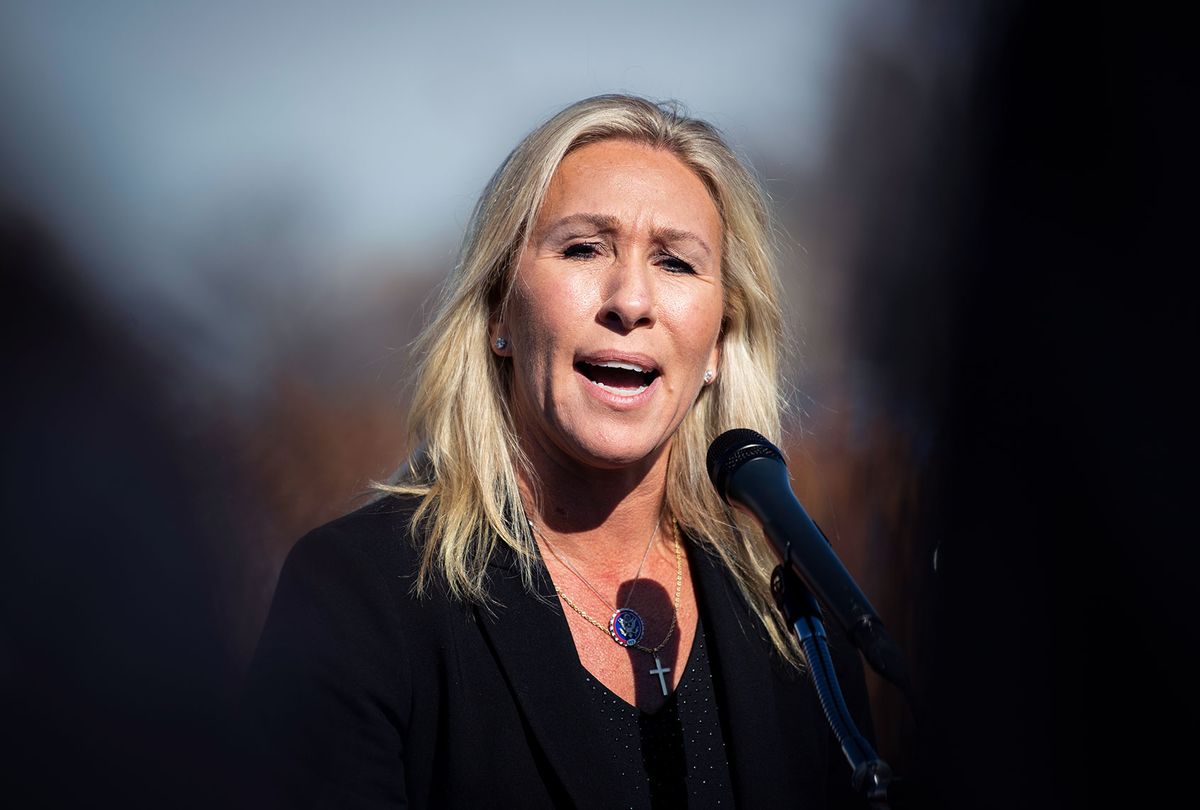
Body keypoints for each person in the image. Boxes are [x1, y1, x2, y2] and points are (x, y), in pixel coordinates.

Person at [244, 94, 874, 809]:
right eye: (583, 248)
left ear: (719, 347)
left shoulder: (798, 612)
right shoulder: (360, 596)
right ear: (497, 314)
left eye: (675, 262)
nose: (630, 300)